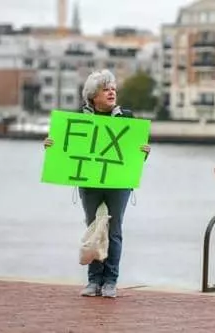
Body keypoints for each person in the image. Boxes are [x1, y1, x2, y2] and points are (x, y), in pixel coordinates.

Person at [43, 69, 150, 298]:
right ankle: (93, 280)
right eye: (106, 89)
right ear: (93, 96)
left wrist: (144, 152)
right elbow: (65, 149)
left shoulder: (127, 117)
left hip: (118, 183)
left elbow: (133, 155)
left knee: (114, 230)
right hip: (90, 183)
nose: (112, 92)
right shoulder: (80, 119)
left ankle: (110, 281)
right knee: (93, 228)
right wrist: (51, 145)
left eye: (113, 89)